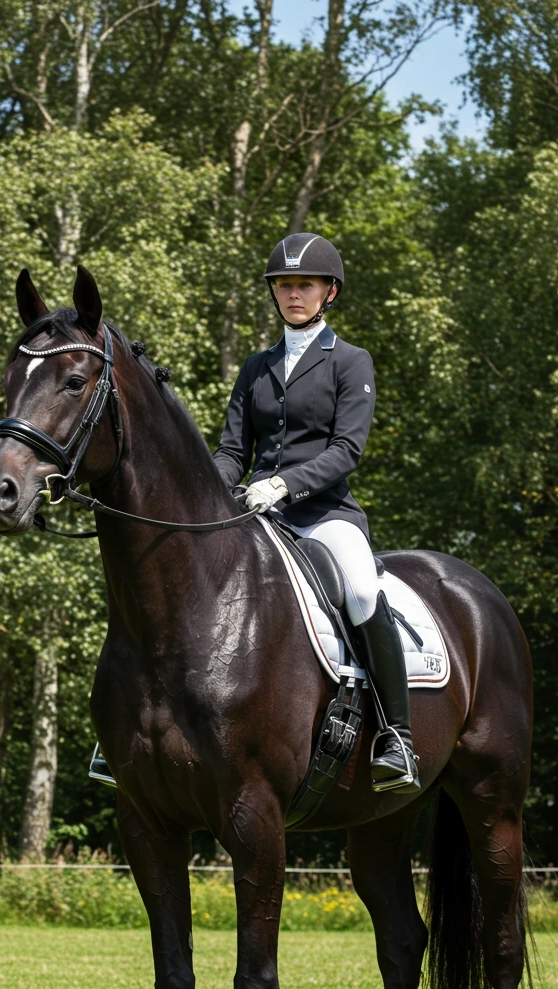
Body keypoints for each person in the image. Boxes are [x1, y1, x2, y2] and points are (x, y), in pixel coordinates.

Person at [213, 232, 419, 794]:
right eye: (284, 285)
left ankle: (397, 737)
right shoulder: (256, 367)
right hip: (258, 515)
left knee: (361, 591)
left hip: (325, 515)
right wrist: (211, 491)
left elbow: (347, 450)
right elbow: (232, 451)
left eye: (304, 285)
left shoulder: (350, 361)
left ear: (329, 292)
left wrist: (283, 484)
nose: (293, 294)